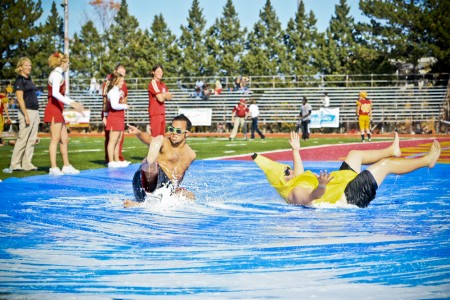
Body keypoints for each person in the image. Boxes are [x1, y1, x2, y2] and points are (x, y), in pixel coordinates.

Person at [253, 132, 441, 208]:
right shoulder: (294, 193)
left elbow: (299, 172)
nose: (291, 171)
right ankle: (427, 160)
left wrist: (295, 150)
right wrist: (322, 185)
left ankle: (392, 150)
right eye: (287, 171)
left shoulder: (293, 181)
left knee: (354, 155)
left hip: (342, 182)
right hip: (348, 197)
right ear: (282, 180)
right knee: (386, 165)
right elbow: (312, 197)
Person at [124, 114, 196, 208]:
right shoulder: (164, 143)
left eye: (178, 131)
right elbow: (149, 139)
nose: (173, 133)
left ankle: (141, 204)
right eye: (171, 129)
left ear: (187, 133)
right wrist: (138, 133)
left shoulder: (191, 155)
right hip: (144, 181)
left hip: (163, 187)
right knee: (151, 162)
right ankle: (149, 160)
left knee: (190, 196)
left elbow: (180, 175)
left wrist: (175, 190)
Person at [44, 52, 84, 176]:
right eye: (67, 63)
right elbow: (55, 93)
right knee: (55, 139)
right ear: (61, 63)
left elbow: (61, 94)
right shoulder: (56, 75)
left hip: (58, 110)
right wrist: (72, 103)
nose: (68, 65)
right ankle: (53, 167)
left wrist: (74, 103)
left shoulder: (58, 75)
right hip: (53, 110)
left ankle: (66, 165)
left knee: (64, 139)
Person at [4, 57, 40, 172]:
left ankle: (26, 163)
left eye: (30, 65)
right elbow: (20, 99)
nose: (29, 67)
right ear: (20, 67)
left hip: (35, 111)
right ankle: (14, 164)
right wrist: (26, 115)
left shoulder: (29, 78)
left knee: (32, 139)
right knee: (22, 138)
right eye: (26, 65)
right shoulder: (19, 81)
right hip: (26, 111)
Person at [102, 64, 129, 165]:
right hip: (114, 117)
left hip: (119, 117)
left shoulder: (117, 91)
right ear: (117, 81)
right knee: (112, 140)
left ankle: (117, 159)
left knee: (118, 139)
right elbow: (114, 105)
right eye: (121, 81)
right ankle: (111, 161)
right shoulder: (113, 91)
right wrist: (125, 106)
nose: (123, 83)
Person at [148, 63, 172, 137]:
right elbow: (161, 99)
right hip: (155, 113)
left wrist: (162, 95)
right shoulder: (153, 83)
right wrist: (164, 95)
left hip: (162, 112)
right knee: (155, 137)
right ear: (153, 72)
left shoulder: (162, 84)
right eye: (158, 71)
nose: (160, 73)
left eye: (161, 72)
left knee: (161, 137)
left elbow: (170, 96)